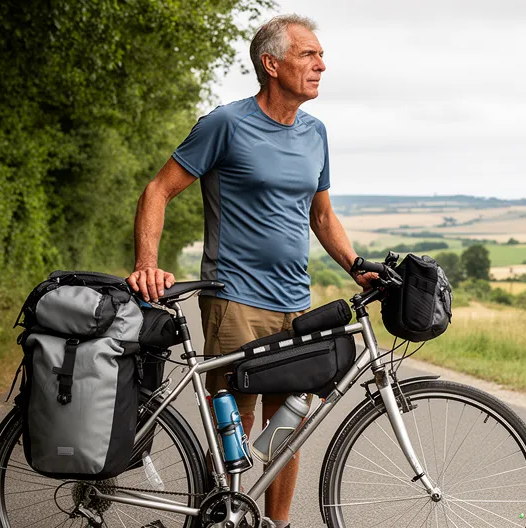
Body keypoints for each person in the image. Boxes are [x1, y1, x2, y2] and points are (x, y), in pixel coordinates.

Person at [128, 14, 372, 528]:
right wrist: (146, 266)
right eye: (308, 55)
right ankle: (226, 519)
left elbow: (322, 215)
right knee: (235, 428)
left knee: (288, 428)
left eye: (321, 55)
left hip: (293, 305)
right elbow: (158, 190)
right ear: (271, 63)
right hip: (233, 299)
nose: (321, 65)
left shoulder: (315, 132)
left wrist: (356, 267)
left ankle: (275, 526)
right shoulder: (226, 123)